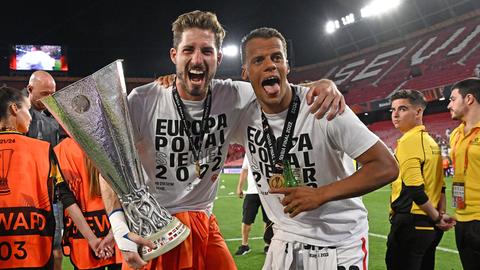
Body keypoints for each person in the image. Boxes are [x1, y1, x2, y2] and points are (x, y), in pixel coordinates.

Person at [100, 10, 346, 270]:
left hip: (204, 222)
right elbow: (107, 163)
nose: (197, 59)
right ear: (174, 56)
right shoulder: (143, 100)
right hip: (155, 227)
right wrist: (118, 226)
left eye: (206, 51)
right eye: (188, 50)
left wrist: (323, 83)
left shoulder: (234, 95)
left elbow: (281, 91)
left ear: (218, 58)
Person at [239, 27, 399, 270]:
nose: (270, 65)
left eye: (277, 57)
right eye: (258, 60)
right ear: (245, 73)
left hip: (338, 242)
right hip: (284, 241)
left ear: (287, 67)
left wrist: (320, 194)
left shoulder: (323, 106)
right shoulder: (240, 112)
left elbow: (386, 166)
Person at [0, 86, 107, 269]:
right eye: (27, 109)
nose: (31, 117)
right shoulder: (42, 150)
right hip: (34, 249)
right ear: (14, 109)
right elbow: (63, 194)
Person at [385, 89, 455, 270]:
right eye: (393, 110)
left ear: (418, 112)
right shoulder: (431, 142)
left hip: (410, 224)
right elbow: (440, 187)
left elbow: (414, 189)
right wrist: (440, 215)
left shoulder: (409, 142)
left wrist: (437, 217)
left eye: (402, 109)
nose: (395, 115)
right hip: (428, 227)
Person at [54, 137, 123, 269]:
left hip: (84, 238)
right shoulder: (115, 143)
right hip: (119, 233)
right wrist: (112, 235)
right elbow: (127, 194)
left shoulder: (60, 150)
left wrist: (92, 239)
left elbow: (67, 199)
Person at [25, 70, 65, 269]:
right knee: (26, 246)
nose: (50, 98)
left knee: (56, 247)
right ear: (29, 90)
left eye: (53, 93)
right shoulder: (14, 113)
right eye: (44, 94)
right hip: (24, 193)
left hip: (51, 194)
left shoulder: (56, 116)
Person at [447, 77, 480, 270]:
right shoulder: (455, 134)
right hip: (461, 219)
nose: (449, 105)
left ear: (469, 99)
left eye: (452, 99)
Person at [235, 156, 273, 256]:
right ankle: (244, 245)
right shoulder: (248, 153)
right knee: (246, 219)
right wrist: (239, 187)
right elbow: (244, 171)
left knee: (268, 220)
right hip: (252, 191)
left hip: (268, 192)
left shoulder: (269, 151)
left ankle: (268, 245)